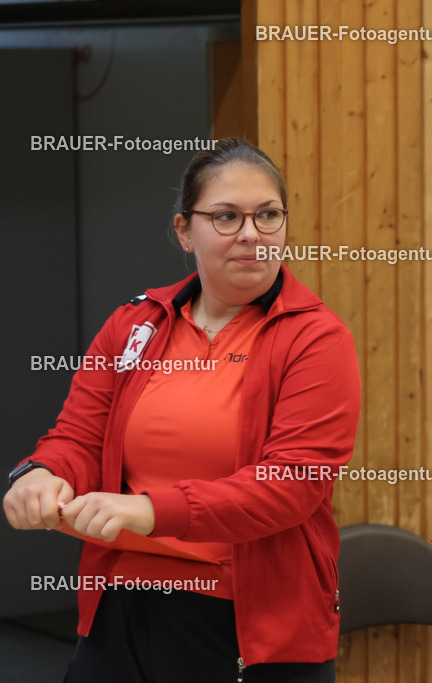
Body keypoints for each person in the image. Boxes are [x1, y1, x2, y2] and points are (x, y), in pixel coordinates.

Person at [3, 138, 360, 683]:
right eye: (225, 216)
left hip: (248, 629)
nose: (251, 234)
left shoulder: (316, 338)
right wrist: (42, 473)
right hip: (120, 607)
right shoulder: (134, 324)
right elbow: (77, 436)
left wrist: (149, 511)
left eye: (268, 215)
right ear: (182, 230)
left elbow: (291, 484)